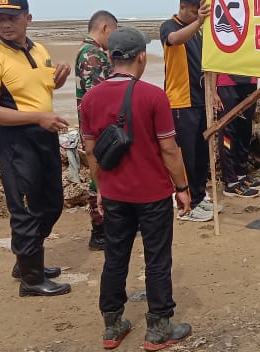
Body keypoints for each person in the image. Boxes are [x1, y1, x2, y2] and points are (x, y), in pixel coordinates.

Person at [81, 27, 193, 351]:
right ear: (142, 56)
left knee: (115, 257)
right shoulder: (153, 95)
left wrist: (101, 187)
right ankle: (158, 328)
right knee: (157, 258)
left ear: (111, 57)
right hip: (153, 194)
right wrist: (182, 187)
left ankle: (112, 326)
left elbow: (91, 152)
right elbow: (170, 149)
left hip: (115, 193)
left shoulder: (91, 98)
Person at [0, 0, 72, 297]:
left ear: (28, 18)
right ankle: (31, 279)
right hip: (16, 141)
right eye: (0, 18)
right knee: (26, 209)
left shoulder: (39, 49)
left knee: (52, 203)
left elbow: (36, 91)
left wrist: (57, 80)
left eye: (12, 17)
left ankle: (27, 258)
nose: (5, 24)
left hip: (43, 136)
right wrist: (37, 118)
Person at [159, 0, 223, 221]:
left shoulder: (198, 31)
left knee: (200, 153)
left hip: (199, 100)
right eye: (194, 11)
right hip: (179, 101)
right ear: (183, 7)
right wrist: (199, 22)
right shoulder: (170, 26)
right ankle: (186, 203)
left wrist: (213, 92)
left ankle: (198, 195)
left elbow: (206, 65)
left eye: (200, 12)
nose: (198, 15)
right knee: (185, 154)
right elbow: (174, 39)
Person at [75, 9, 118, 250]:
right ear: (104, 29)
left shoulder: (92, 51)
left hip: (96, 126)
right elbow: (98, 95)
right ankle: (99, 230)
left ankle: (106, 225)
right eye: (114, 32)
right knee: (98, 176)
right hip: (98, 127)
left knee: (103, 174)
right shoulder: (91, 54)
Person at [216, 73, 260, 198]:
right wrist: (212, 92)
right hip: (227, 83)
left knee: (245, 130)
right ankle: (231, 182)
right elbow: (212, 60)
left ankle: (241, 174)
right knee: (227, 132)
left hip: (250, 83)